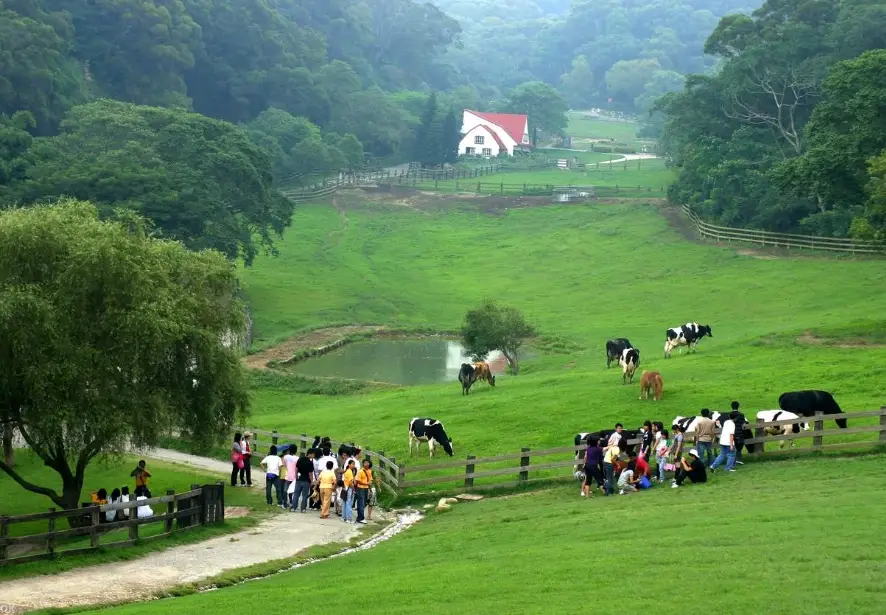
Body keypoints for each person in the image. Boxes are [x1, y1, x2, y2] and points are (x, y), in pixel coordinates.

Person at [291, 448, 315, 513]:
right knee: (304, 495)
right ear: (309, 454)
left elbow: (296, 468)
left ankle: (293, 507)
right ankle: (303, 508)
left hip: (299, 479)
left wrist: (296, 476)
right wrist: (312, 481)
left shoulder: (300, 459)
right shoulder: (310, 463)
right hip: (306, 480)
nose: (313, 456)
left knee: (296, 494)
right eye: (313, 454)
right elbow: (310, 473)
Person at [354, 459, 375, 524]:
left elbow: (371, 479)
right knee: (361, 503)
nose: (367, 464)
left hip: (366, 489)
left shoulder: (369, 471)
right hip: (360, 488)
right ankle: (361, 518)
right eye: (365, 463)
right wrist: (366, 483)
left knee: (364, 503)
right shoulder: (360, 471)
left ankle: (359, 516)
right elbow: (358, 481)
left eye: (368, 462)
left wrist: (370, 484)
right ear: (363, 464)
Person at [341, 458, 357, 523]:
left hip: (345, 488)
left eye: (354, 464)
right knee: (349, 504)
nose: (354, 465)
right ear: (349, 465)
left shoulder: (346, 471)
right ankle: (349, 519)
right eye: (353, 464)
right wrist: (354, 490)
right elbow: (351, 483)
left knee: (345, 503)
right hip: (349, 489)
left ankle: (344, 517)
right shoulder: (350, 472)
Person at [731, 402, 747, 466]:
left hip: (731, 433)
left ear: (731, 407)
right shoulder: (741, 415)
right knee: (739, 447)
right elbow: (743, 426)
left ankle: (733, 461)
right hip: (739, 433)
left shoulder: (729, 415)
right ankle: (738, 460)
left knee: (732, 447)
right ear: (738, 406)